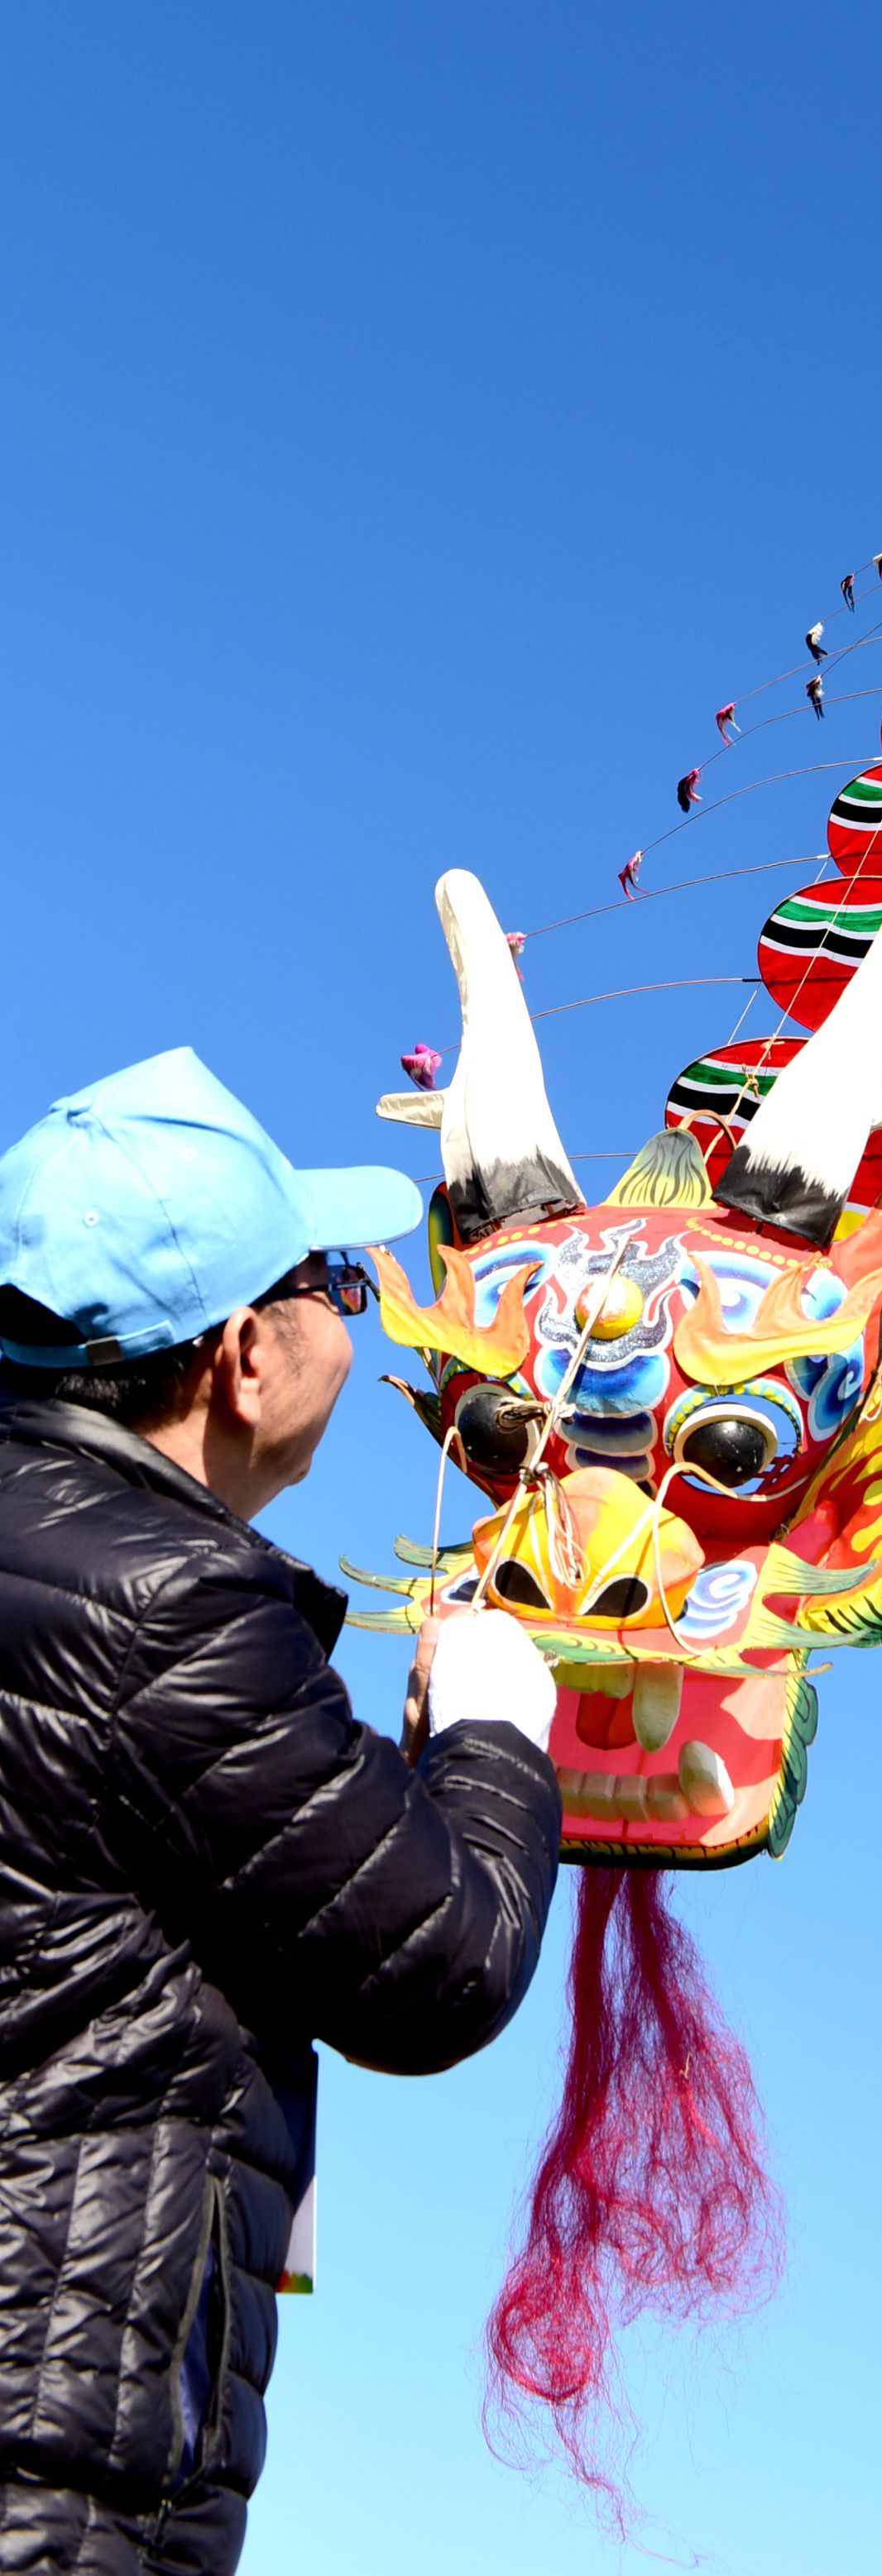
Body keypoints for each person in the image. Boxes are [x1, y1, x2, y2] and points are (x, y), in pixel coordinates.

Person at [0, 1049, 562, 2576]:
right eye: (335, 1285)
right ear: (244, 1355)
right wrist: (497, 1731)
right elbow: (438, 1960)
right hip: (49, 2471)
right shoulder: (166, 1608)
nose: (351, 1321)